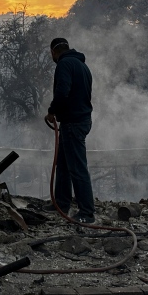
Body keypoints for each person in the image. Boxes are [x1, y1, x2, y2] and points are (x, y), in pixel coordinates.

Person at [44, 37, 95, 223]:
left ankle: (87, 213)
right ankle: (61, 203)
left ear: (53, 52)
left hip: (73, 123)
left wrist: (52, 111)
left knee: (77, 168)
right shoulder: (82, 66)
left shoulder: (64, 64)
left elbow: (62, 91)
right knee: (63, 166)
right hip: (79, 120)